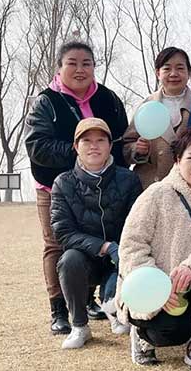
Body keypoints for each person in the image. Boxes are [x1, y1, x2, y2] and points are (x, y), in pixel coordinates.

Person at [25, 41, 129, 335]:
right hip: (54, 186)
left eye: (87, 63)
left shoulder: (109, 99)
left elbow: (120, 140)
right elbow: (36, 146)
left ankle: (89, 300)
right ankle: (59, 309)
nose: (80, 69)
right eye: (72, 63)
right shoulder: (46, 102)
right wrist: (81, 153)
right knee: (57, 245)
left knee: (100, 239)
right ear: (59, 68)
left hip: (103, 184)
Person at [115, 129, 191, 371]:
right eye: (190, 157)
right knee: (173, 331)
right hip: (153, 286)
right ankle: (142, 335)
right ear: (178, 160)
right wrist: (157, 287)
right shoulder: (156, 194)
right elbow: (131, 245)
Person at [50, 118, 142, 349]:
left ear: (110, 146)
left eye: (101, 140)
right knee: (69, 260)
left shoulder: (129, 179)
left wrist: (120, 251)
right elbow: (63, 232)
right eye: (86, 141)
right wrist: (105, 247)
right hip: (86, 258)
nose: (94, 146)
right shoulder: (62, 183)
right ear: (76, 147)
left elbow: (138, 225)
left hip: (121, 256)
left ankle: (117, 309)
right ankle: (79, 325)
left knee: (133, 257)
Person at [123, 47, 191, 189]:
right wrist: (137, 149)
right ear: (158, 73)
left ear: (189, 73)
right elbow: (126, 145)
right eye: (167, 68)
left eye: (180, 68)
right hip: (150, 187)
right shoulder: (146, 106)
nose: (173, 74)